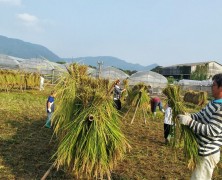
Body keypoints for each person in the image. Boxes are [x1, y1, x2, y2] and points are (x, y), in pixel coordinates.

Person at [178, 73, 222, 180]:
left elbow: (212, 131)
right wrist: (189, 116)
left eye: (214, 85)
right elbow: (200, 115)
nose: (211, 87)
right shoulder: (213, 103)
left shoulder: (220, 108)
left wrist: (189, 122)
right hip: (201, 152)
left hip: (207, 154)